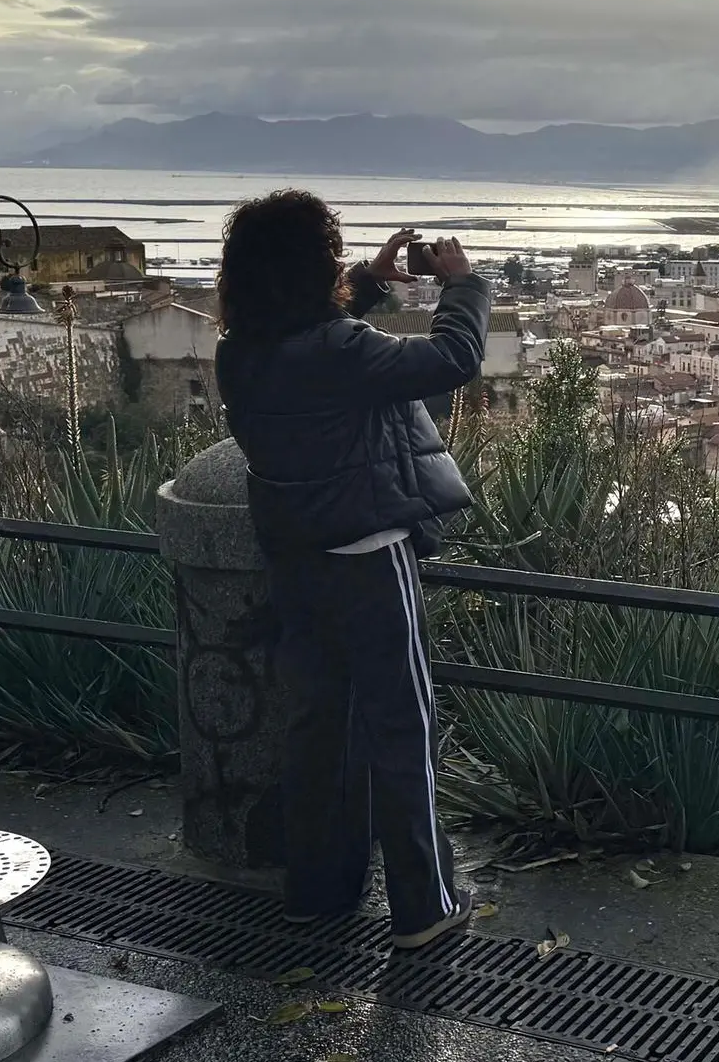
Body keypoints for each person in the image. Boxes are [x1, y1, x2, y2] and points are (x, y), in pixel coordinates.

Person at [214, 189, 488, 949]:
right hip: (370, 559)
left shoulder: (239, 352)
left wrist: (368, 281)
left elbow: (306, 341)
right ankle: (425, 906)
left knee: (319, 727)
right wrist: (463, 284)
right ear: (314, 268)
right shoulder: (342, 352)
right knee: (402, 725)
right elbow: (453, 359)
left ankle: (318, 891)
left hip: (297, 562)